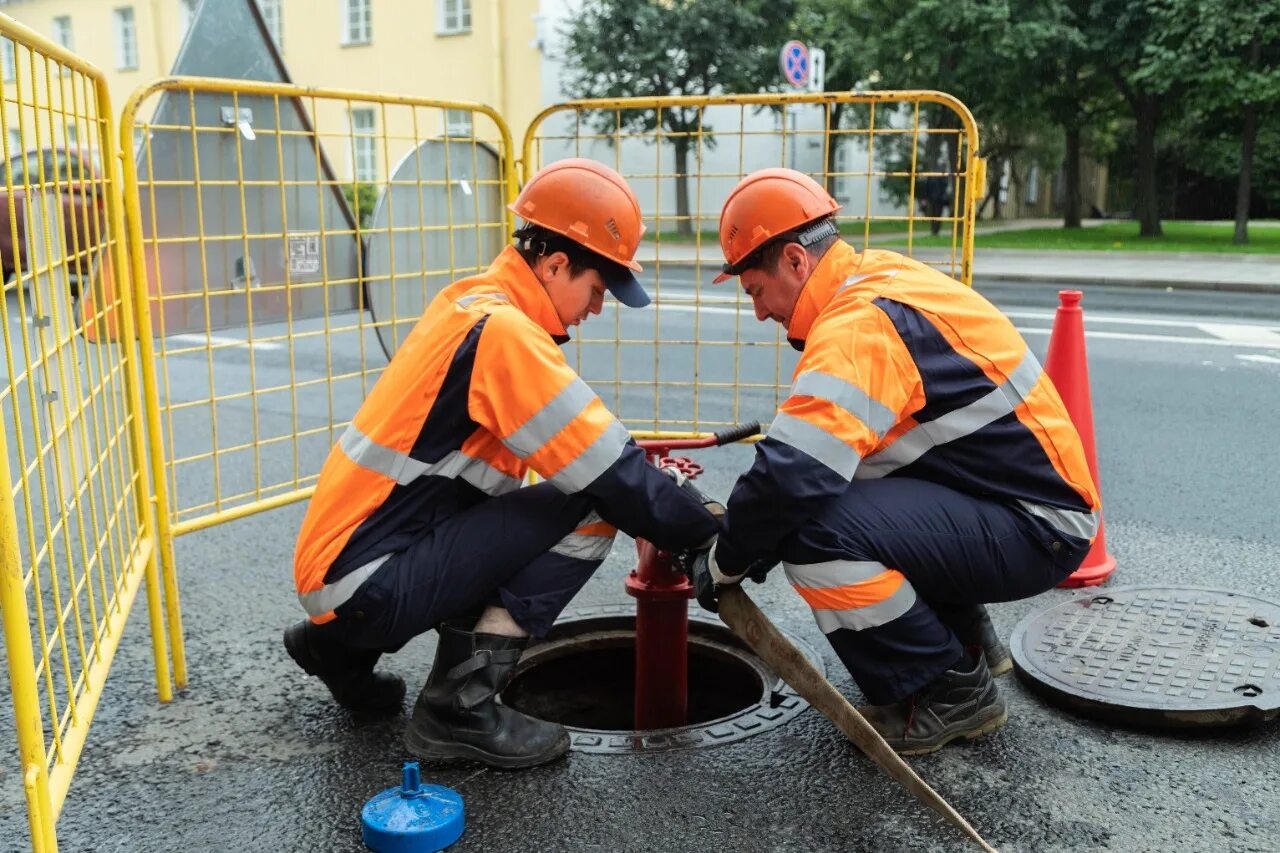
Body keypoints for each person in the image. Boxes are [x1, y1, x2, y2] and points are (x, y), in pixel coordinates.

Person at [285, 159, 720, 769]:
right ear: (554, 264)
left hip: (340, 569)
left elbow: (571, 446)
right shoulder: (506, 333)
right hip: (369, 583)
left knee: (537, 506)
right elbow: (608, 473)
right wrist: (706, 531)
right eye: (597, 289)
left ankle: (337, 650)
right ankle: (458, 709)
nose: (597, 308)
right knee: (589, 507)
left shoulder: (469, 302)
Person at [691, 168, 1099, 755]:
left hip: (1037, 527)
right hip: (1021, 503)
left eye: (755, 291)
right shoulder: (877, 277)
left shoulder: (859, 326)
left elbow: (791, 476)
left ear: (794, 261)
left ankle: (950, 692)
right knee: (844, 479)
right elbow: (826, 454)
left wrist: (724, 560)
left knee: (812, 533)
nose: (759, 312)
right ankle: (965, 640)